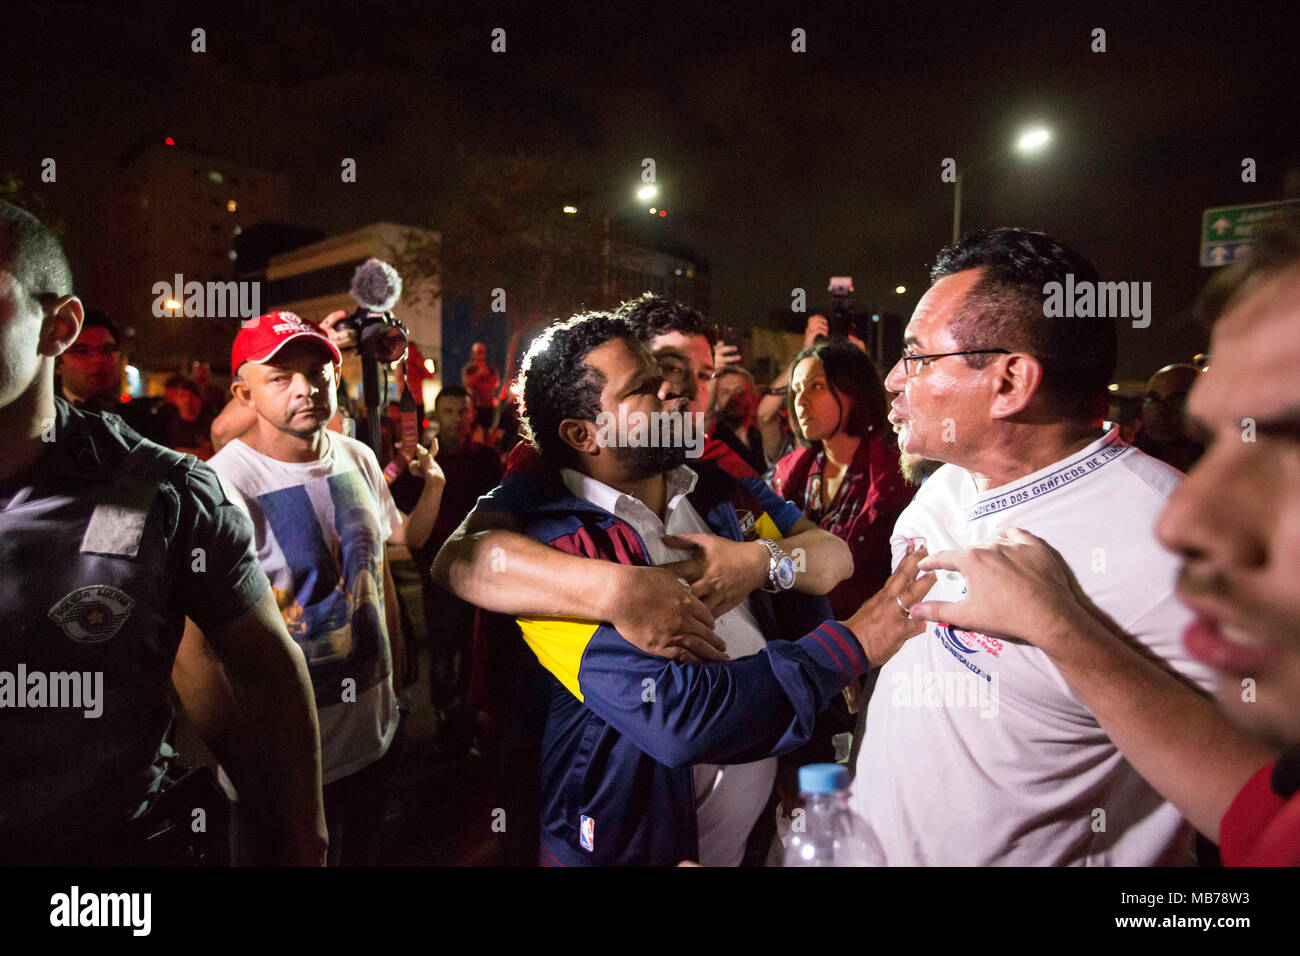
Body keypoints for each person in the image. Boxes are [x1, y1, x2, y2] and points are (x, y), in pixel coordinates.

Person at [906, 216, 1300, 865]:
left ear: (1008, 381)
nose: (1184, 521)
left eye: (1284, 444)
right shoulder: (944, 486)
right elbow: (1266, 818)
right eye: (1218, 441)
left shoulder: (1152, 529)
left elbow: (1243, 789)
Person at [499, 310, 934, 865]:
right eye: (643, 386)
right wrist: (855, 644)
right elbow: (683, 718)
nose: (672, 389)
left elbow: (820, 570)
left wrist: (762, 561)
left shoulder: (720, 493)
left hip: (751, 837)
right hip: (630, 847)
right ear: (584, 433)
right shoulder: (557, 549)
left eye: (675, 373)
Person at [852, 227, 1216, 866]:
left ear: (1010, 381)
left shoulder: (1181, 543)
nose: (891, 380)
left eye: (916, 357)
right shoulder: (945, 488)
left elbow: (1256, 797)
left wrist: (1065, 630)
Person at [0, 200, 326, 865]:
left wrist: (299, 832)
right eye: (283, 374)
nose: (307, 391)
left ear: (57, 325)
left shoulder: (167, 494)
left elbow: (263, 668)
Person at [189, 310, 442, 865]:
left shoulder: (358, 457)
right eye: (280, 377)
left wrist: (397, 686)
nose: (305, 389)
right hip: (284, 770)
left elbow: (375, 574)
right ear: (244, 393)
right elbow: (197, 654)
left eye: (317, 371)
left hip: (376, 741)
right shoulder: (221, 488)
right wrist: (248, 767)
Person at [390, 384, 501, 748]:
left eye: (463, 411)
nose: (457, 419)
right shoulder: (422, 462)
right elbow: (398, 506)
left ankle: (469, 716)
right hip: (437, 570)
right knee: (442, 648)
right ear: (437, 416)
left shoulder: (485, 459)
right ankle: (444, 717)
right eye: (449, 411)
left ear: (472, 413)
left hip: (477, 568)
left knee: (475, 645)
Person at [55, 309, 167, 444]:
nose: (98, 360)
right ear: (58, 362)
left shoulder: (144, 422)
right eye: (82, 352)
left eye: (107, 350)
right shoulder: (45, 421)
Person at [1135, 362, 1205, 472]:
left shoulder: (1229, 462)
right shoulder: (1132, 461)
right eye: (1152, 399)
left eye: (1176, 400)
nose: (1159, 410)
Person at [708, 365, 769, 476]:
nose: (734, 397)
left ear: (751, 395)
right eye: (725, 392)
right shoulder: (712, 436)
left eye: (740, 390)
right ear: (715, 398)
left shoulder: (759, 435)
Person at [159, 373, 214, 459]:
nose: (187, 400)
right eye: (183, 396)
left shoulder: (210, 423)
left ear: (200, 400)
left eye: (192, 396)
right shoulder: (167, 424)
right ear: (176, 399)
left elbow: (210, 454)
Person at [462, 341, 500, 436]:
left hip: (488, 406)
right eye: (478, 352)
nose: (480, 354)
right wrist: (479, 374)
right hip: (475, 407)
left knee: (487, 433)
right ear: (473, 354)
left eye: (482, 352)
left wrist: (478, 383)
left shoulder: (491, 369)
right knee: (474, 433)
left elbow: (495, 383)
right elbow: (467, 384)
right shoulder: (469, 369)